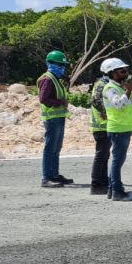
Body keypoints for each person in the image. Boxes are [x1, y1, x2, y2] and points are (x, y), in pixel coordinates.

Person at [102, 58, 132, 202]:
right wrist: (129, 91)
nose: (126, 73)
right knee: (117, 161)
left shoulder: (118, 87)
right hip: (118, 129)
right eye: (122, 71)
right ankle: (117, 191)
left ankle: (112, 190)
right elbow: (119, 105)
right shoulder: (110, 88)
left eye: (126, 70)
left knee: (118, 161)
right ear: (112, 73)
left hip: (122, 128)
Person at [38, 50, 73, 188]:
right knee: (50, 148)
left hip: (58, 118)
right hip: (52, 119)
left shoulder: (55, 78)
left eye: (63, 65)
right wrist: (60, 102)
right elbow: (44, 99)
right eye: (59, 64)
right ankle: (47, 177)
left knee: (56, 148)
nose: (62, 67)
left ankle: (54, 174)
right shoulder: (47, 79)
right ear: (50, 63)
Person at [89, 65, 111, 195]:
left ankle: (103, 181)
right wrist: (106, 112)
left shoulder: (105, 83)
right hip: (100, 125)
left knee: (104, 155)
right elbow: (95, 100)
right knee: (101, 155)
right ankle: (96, 184)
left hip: (105, 125)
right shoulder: (101, 84)